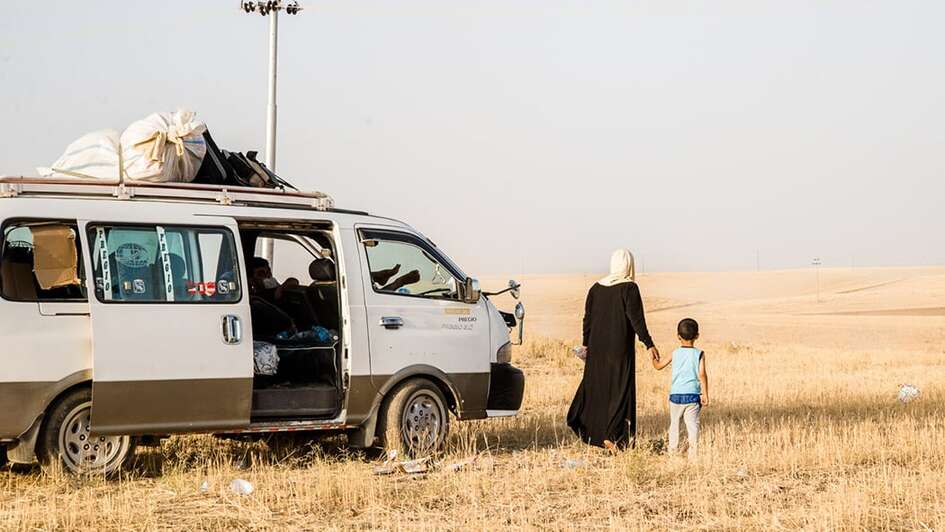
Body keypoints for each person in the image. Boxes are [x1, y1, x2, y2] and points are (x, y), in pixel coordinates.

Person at [567, 249, 660, 449]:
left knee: (600, 388)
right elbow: (636, 319)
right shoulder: (629, 288)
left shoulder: (595, 288)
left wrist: (586, 344)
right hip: (619, 349)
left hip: (597, 348)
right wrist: (649, 343)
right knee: (620, 390)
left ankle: (600, 434)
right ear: (629, 265)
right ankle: (615, 437)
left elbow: (587, 320)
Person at [651, 318, 709, 459]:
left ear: (678, 336)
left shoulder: (675, 353)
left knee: (674, 424)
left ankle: (672, 452)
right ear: (697, 336)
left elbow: (658, 366)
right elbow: (702, 374)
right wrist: (705, 393)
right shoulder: (700, 354)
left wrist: (653, 358)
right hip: (693, 396)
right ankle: (693, 455)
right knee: (692, 425)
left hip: (675, 396)